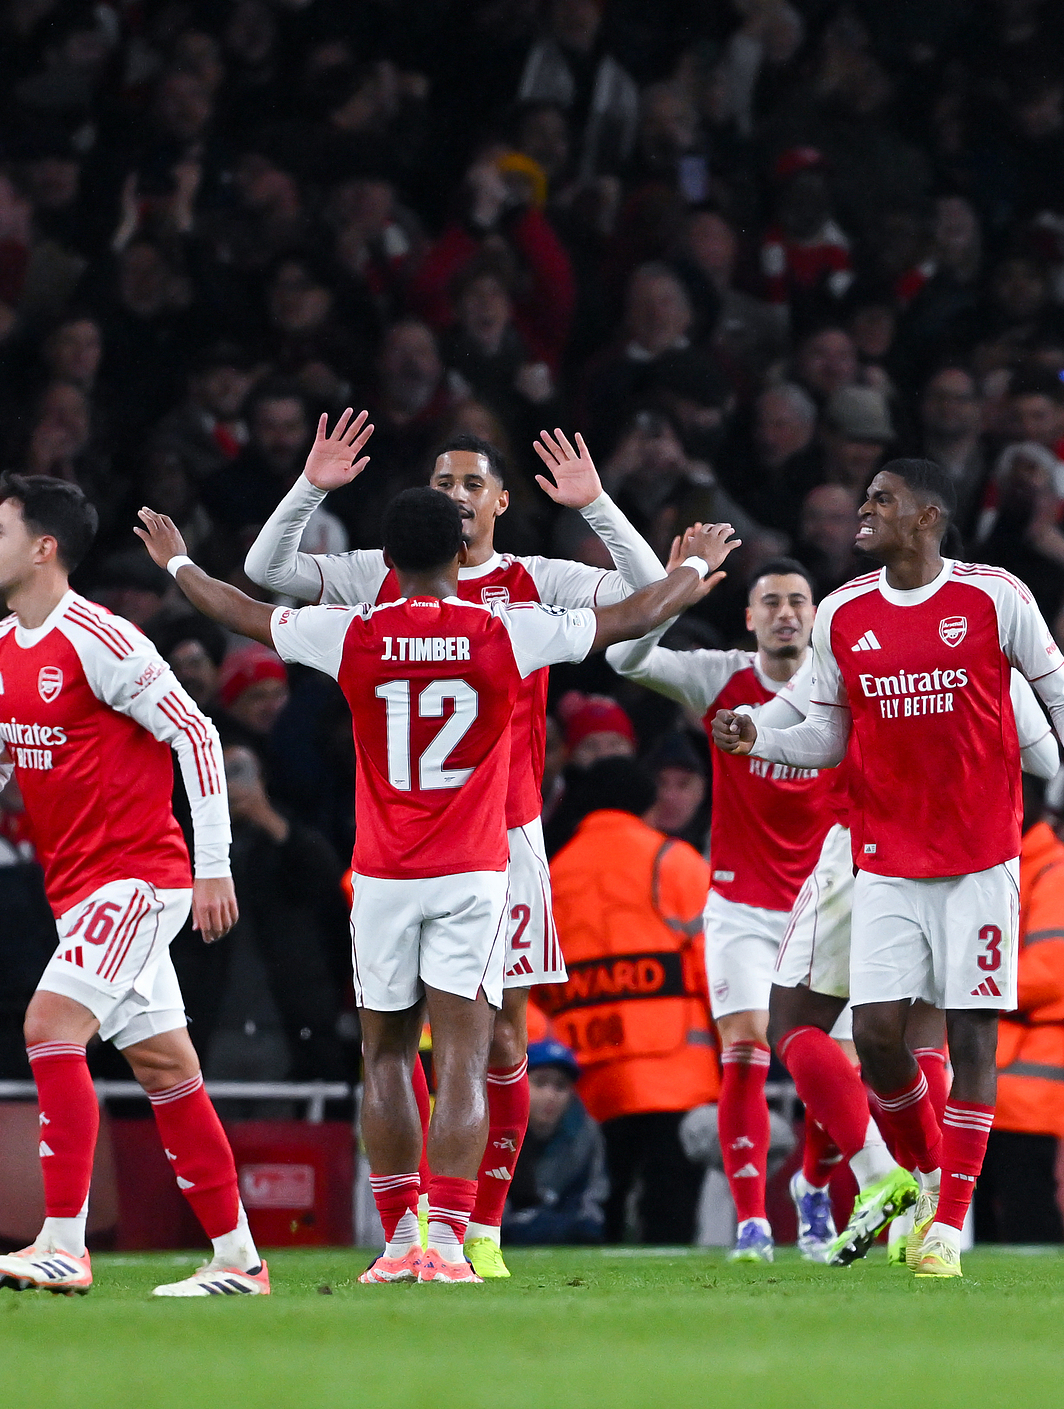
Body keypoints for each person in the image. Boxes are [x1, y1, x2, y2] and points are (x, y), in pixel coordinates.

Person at [144, 486, 734, 1281]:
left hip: (385, 875)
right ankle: (452, 1243)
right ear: (462, 555)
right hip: (473, 874)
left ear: (386, 562)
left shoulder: (352, 631)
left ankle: (396, 1242)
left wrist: (177, 558)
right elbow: (631, 616)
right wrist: (692, 564)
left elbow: (239, 609)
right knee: (463, 1058)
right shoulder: (505, 632)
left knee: (386, 1055)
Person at [241, 412, 666, 1279]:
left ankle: (480, 1229)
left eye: (475, 483)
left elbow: (643, 584)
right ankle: (428, 1226)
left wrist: (596, 506)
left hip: (508, 839)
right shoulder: (378, 574)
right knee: (425, 1040)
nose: (459, 495)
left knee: (503, 1042)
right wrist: (312, 486)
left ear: (503, 501)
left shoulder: (532, 579)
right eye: (444, 482)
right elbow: (267, 571)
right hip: (417, 841)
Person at [713, 458, 1064, 1278]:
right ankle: (925, 1178)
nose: (863, 510)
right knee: (874, 1035)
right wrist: (762, 740)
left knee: (972, 1036)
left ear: (928, 516)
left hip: (979, 858)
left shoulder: (994, 595)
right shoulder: (844, 612)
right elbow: (826, 737)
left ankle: (946, 1228)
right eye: (863, 497)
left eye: (882, 500)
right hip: (884, 857)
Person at [0, 475, 264, 1299]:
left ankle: (62, 1243)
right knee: (167, 1068)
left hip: (137, 877)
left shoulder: (103, 638)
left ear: (43, 546)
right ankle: (239, 1258)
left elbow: (195, 734)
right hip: (80, 889)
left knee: (50, 1024)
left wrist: (212, 863)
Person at [605, 557, 833, 1261]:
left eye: (799, 600)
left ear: (816, 614)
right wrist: (677, 590)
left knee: (834, 1064)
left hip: (828, 905)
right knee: (747, 1047)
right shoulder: (719, 675)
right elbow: (624, 653)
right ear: (750, 617)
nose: (787, 613)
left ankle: (815, 1193)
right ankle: (751, 1222)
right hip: (739, 902)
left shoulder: (845, 681)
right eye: (772, 602)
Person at [544, 756, 718, 1245]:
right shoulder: (674, 861)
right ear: (646, 802)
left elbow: (531, 985)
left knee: (603, 1207)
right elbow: (714, 970)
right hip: (676, 1073)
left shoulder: (553, 874)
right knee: (671, 1214)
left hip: (589, 1074)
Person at [979, 777, 1064, 1243]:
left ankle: (1045, 1315)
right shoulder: (993, 871)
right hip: (980, 1072)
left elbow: (1049, 978)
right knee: (978, 1223)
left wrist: (954, 992)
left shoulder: (1063, 879)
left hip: (1027, 1079)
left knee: (1025, 1207)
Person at [500, 1038, 608, 1246]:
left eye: (560, 1086)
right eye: (540, 1083)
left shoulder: (585, 1131)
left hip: (566, 1224)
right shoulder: (496, 1131)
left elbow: (593, 1195)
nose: (550, 1096)